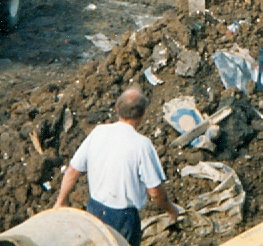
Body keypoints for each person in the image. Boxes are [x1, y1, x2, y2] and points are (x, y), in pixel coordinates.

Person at [55, 89, 180, 246]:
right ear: (143, 113)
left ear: (117, 109)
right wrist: (171, 209)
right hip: (123, 217)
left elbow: (73, 170)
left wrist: (60, 201)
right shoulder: (142, 145)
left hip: (94, 210)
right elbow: (154, 191)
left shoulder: (99, 132)